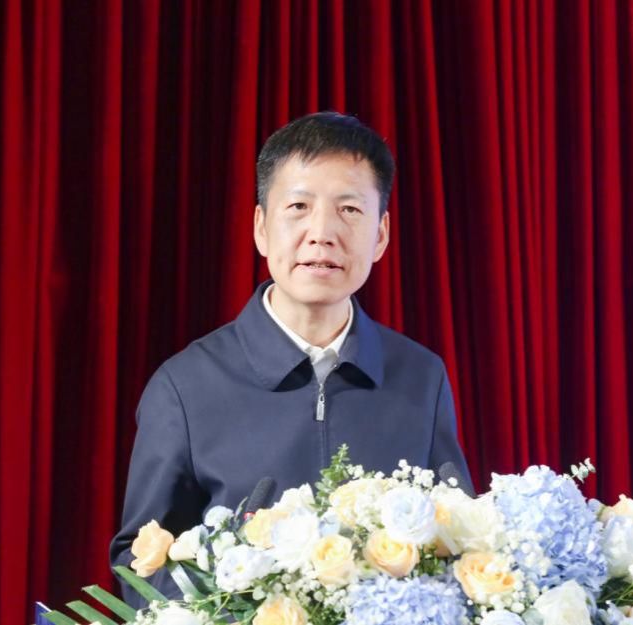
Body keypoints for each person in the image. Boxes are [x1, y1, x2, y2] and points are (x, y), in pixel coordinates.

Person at [109, 111, 471, 606]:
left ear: (381, 235)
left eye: (349, 209)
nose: (322, 233)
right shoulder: (185, 387)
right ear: (261, 227)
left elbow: (459, 543)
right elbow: (141, 567)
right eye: (299, 206)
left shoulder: (421, 377)